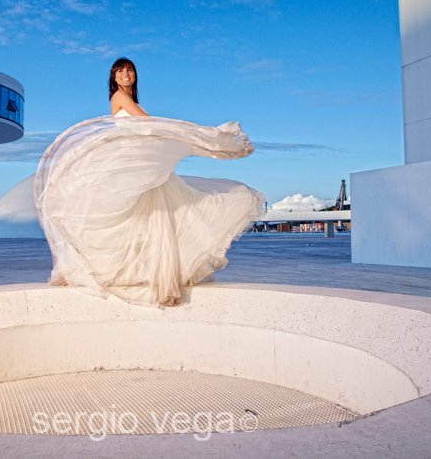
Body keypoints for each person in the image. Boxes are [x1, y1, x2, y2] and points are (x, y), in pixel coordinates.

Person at [35, 57, 264, 306]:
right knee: (151, 215)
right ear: (113, 78)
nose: (126, 74)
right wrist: (195, 135)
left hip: (141, 163)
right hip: (133, 163)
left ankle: (151, 273)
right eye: (120, 71)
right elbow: (147, 123)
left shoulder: (131, 100)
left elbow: (145, 127)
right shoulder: (119, 97)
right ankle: (138, 273)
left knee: (160, 216)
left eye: (129, 70)